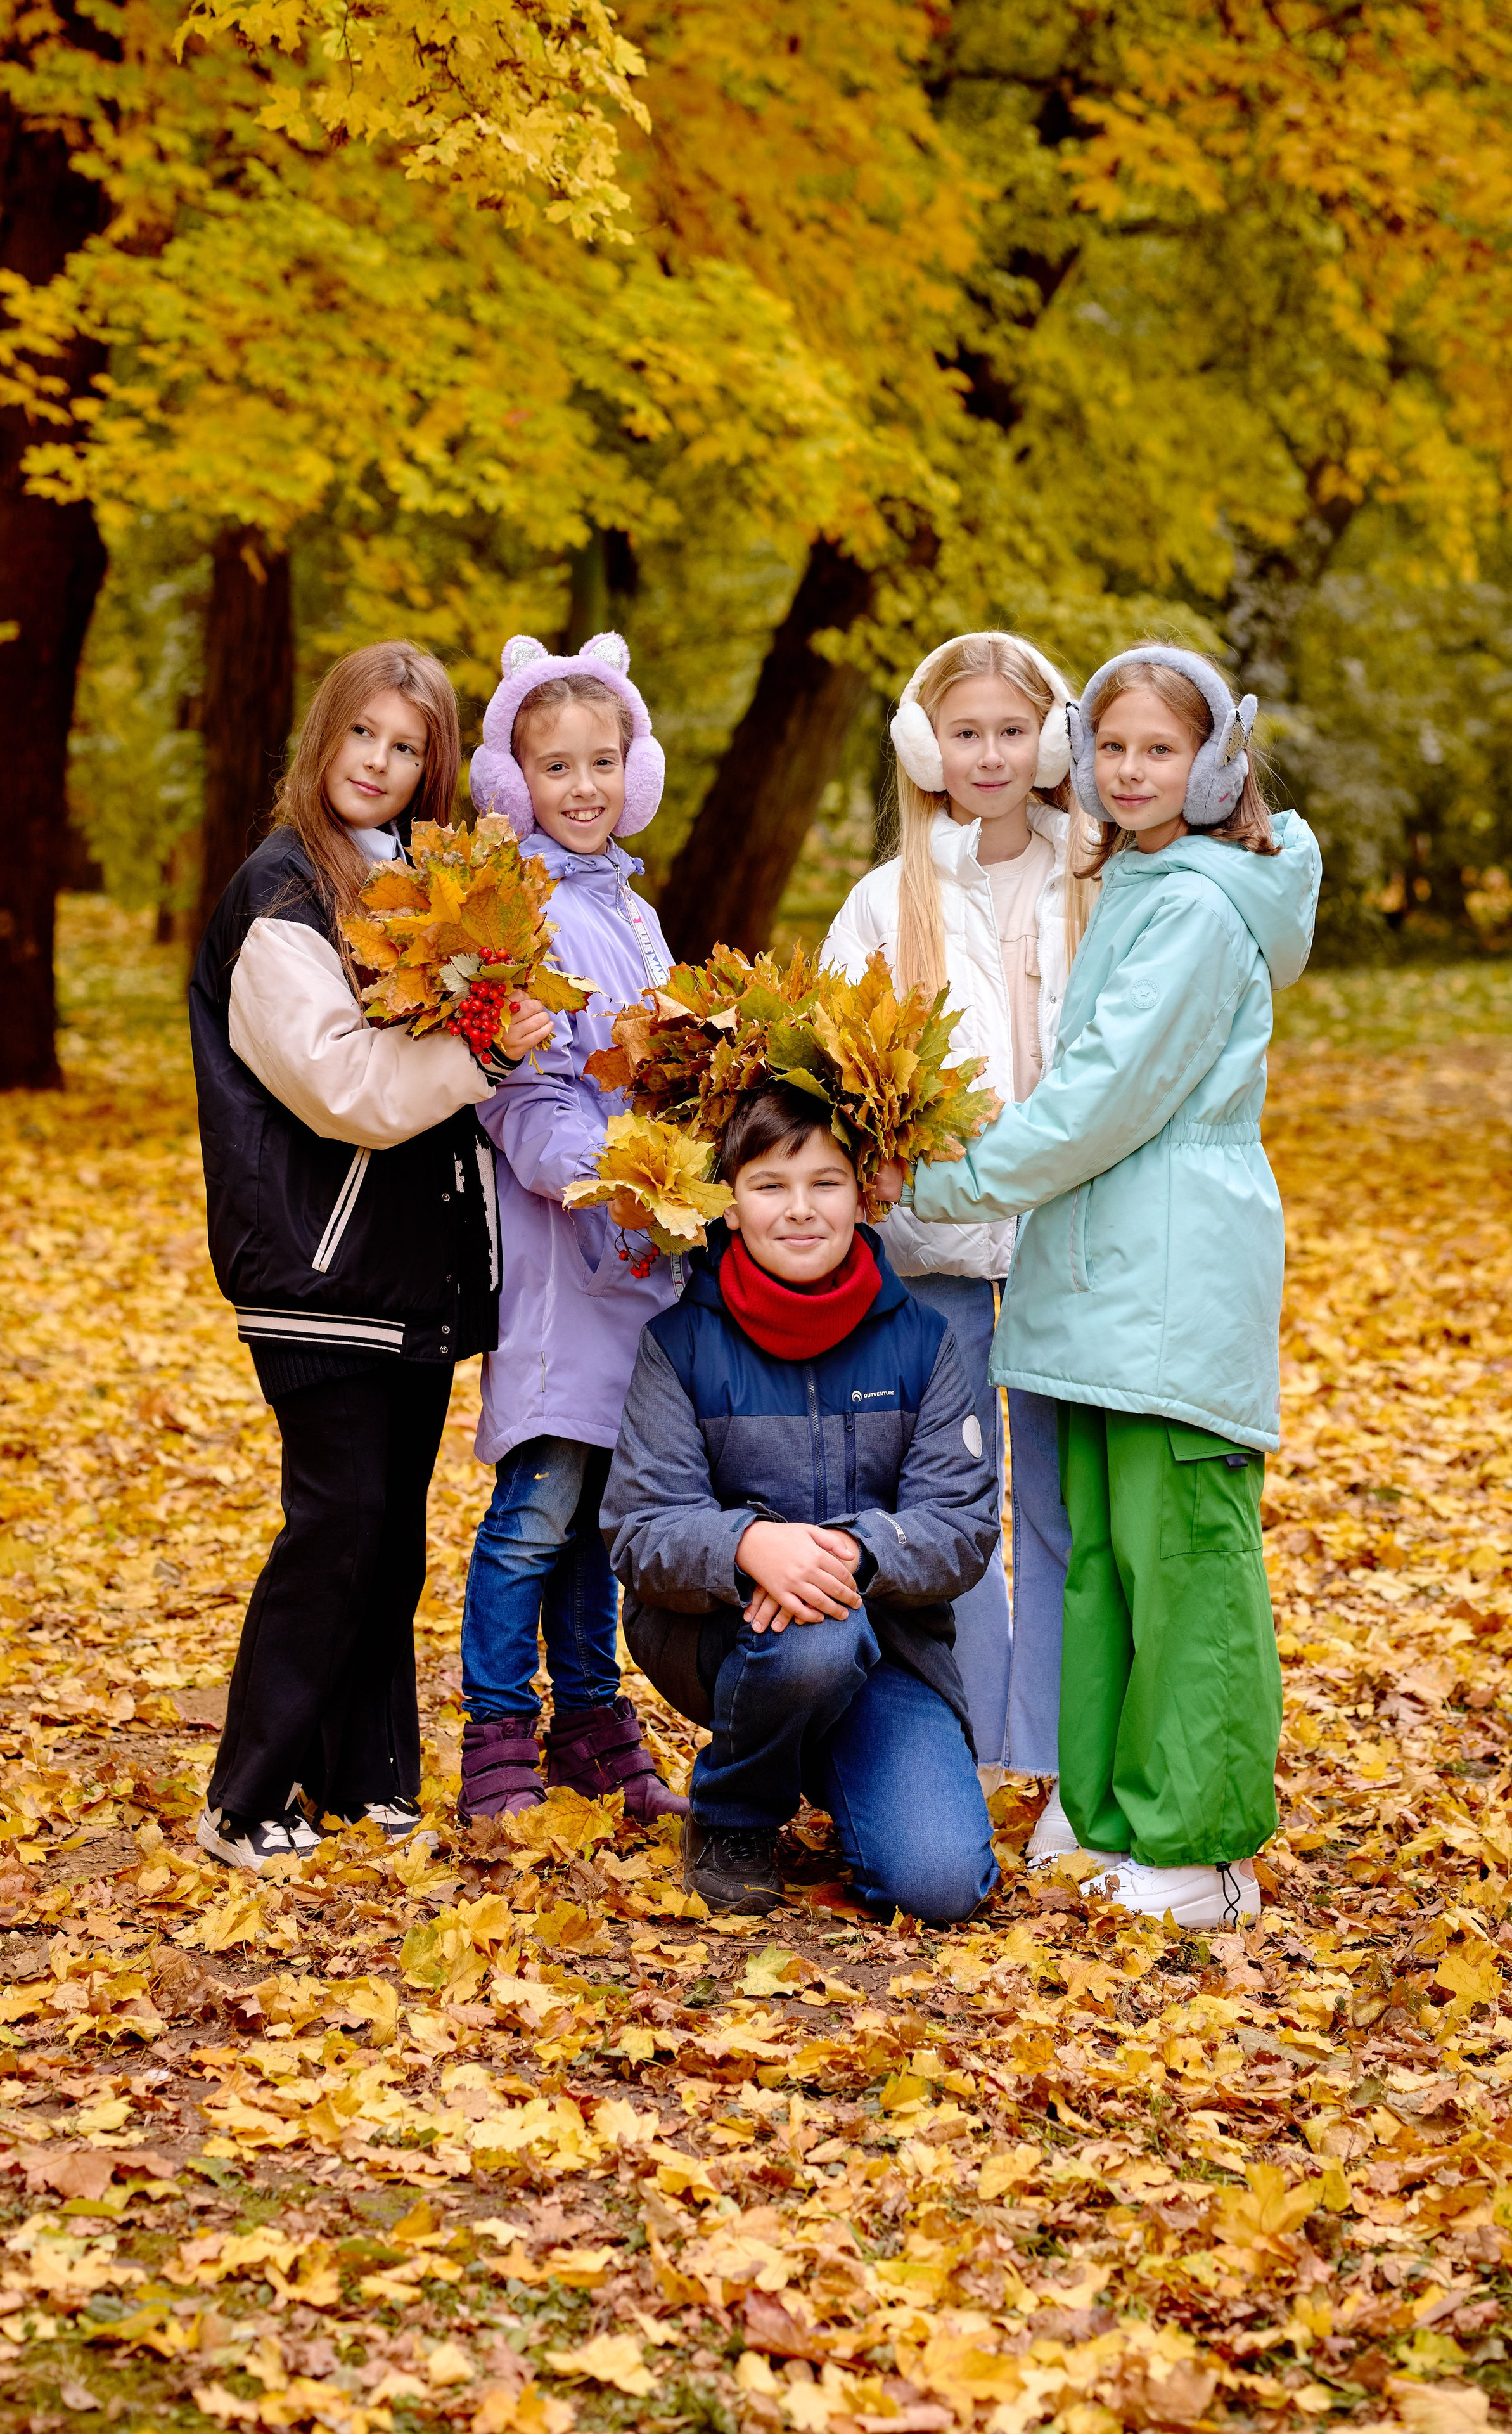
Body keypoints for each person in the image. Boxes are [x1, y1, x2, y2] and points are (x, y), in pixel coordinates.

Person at [902, 643, 1321, 1929]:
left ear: (1211, 766)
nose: (1132, 772)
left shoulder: (1198, 906)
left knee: (1179, 1561)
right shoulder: (1138, 880)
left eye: (1160, 750)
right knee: (1102, 1561)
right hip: (1095, 1276)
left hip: (1167, 1272)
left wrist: (931, 1184)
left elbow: (1098, 1105)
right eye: (1115, 748)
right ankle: (1107, 1803)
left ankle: (1197, 1846)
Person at [190, 640, 554, 1872]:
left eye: (409, 748)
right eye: (365, 737)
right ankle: (244, 1796)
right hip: (317, 1264)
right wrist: (486, 1057)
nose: (382, 765)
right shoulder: (279, 898)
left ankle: (365, 1780)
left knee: (389, 1533)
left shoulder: (413, 890)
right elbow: (342, 1086)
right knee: (335, 1524)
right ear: (324, 737)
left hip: (412, 1271)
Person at [823, 631, 1095, 1862]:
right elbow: (831, 1070)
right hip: (928, 1254)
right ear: (927, 750)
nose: (987, 755)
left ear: (1047, 742)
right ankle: (967, 1747)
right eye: (965, 732)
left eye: (1008, 731)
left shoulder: (1094, 879)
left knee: (1055, 1506)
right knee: (949, 1517)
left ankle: (1047, 1761)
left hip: (1068, 1249)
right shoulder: (886, 902)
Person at [603, 1082, 1002, 1921]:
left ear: (865, 1194)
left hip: (890, 1649)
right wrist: (749, 1547)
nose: (800, 1210)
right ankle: (735, 1813)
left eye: (825, 1182)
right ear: (730, 1203)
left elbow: (960, 1528)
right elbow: (640, 1531)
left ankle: (832, 1758)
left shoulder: (923, 1342)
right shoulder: (679, 1345)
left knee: (938, 1887)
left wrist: (853, 1552)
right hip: (718, 1637)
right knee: (818, 1635)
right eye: (769, 1185)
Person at [455, 633, 688, 1826]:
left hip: (644, 1256)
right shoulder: (525, 914)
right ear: (514, 783)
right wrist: (617, 1171)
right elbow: (524, 1100)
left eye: (604, 762)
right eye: (557, 768)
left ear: (636, 771)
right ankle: (497, 1729)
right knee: (537, 1505)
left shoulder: (631, 908)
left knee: (601, 1509)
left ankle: (590, 1721)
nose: (585, 787)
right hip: (567, 1256)